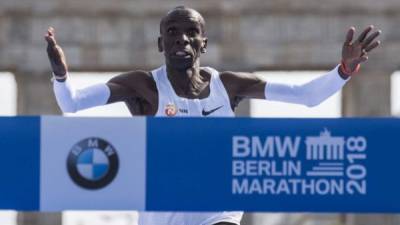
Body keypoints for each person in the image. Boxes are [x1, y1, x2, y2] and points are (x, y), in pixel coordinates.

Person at [45, 6, 381, 225]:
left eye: (191, 32)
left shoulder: (229, 85)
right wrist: (61, 77)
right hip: (164, 212)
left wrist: (343, 70)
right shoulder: (143, 86)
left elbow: (306, 96)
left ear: (203, 43)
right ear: (160, 43)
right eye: (172, 32)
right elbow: (72, 104)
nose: (182, 39)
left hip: (218, 209)